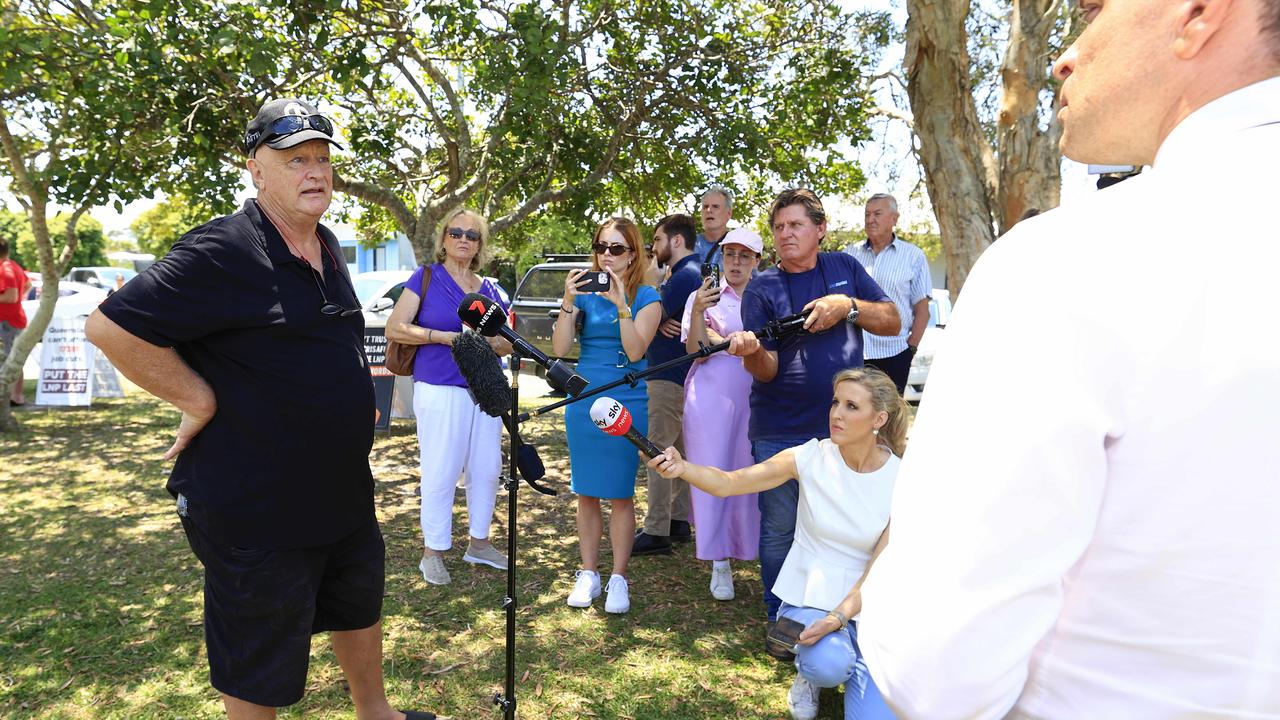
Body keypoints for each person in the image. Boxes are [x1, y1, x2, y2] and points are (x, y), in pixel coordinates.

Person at [858, 1, 1280, 716]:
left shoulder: (1070, 263)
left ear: (1200, 14)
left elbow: (940, 670)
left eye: (1093, 10)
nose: (1064, 55)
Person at [85, 98, 435, 720]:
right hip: (256, 504)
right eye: (296, 158)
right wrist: (195, 396)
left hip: (340, 489)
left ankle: (375, 714)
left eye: (323, 159)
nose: (316, 171)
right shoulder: (222, 250)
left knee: (356, 602)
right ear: (256, 169)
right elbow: (110, 328)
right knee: (258, 653)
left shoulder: (323, 242)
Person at [647, 367, 908, 720]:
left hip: (870, 603)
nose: (836, 414)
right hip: (810, 594)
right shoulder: (810, 456)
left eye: (851, 406)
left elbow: (881, 567)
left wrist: (839, 617)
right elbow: (729, 482)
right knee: (829, 664)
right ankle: (811, 673)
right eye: (835, 402)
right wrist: (683, 469)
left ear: (879, 418)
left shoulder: (902, 479)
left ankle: (848, 651)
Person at [725, 187, 899, 657]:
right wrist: (753, 352)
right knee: (780, 526)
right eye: (778, 227)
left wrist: (849, 307)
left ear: (820, 229)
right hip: (780, 424)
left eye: (795, 225)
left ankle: (852, 614)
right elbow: (769, 370)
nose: (785, 234)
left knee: (848, 525)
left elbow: (893, 320)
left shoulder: (842, 268)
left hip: (847, 428)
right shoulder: (762, 288)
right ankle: (781, 620)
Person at [385, 208, 512, 586]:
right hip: (439, 386)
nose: (463, 239)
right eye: (456, 232)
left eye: (471, 235)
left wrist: (491, 341)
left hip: (484, 389)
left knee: (487, 469)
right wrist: (443, 337)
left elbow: (506, 342)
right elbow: (396, 327)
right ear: (444, 239)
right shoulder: (425, 277)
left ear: (479, 245)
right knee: (442, 470)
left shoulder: (490, 289)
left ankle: (479, 542)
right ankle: (433, 551)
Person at [552, 217, 660, 614]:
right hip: (583, 396)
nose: (607, 256)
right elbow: (561, 349)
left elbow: (635, 352)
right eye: (601, 247)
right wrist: (567, 301)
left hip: (626, 398)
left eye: (617, 248)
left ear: (634, 253)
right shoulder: (582, 294)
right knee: (587, 492)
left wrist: (622, 307)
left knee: (620, 493)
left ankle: (618, 577)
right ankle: (588, 573)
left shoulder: (648, 296)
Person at [678, 227, 764, 600]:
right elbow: (699, 348)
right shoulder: (705, 297)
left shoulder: (768, 295)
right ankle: (719, 560)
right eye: (730, 254)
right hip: (710, 398)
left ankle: (753, 550)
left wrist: (721, 341)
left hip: (757, 395)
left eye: (745, 256)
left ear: (757, 261)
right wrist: (699, 312)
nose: (736, 262)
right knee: (714, 470)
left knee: (750, 472)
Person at [632, 214, 703, 556]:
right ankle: (677, 520)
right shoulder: (689, 274)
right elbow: (659, 316)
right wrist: (660, 322)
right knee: (677, 448)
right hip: (677, 376)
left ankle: (656, 529)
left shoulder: (686, 274)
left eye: (657, 240)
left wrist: (655, 316)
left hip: (666, 376)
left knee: (656, 449)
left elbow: (646, 311)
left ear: (676, 241)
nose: (653, 247)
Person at [845, 194, 931, 393]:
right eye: (867, 214)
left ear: (894, 219)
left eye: (877, 214)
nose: (870, 219)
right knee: (855, 420)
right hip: (856, 354)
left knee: (889, 420)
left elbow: (922, 310)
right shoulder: (850, 254)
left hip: (895, 354)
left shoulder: (913, 256)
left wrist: (910, 350)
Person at [0, 236, 31, 406]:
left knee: (10, 360)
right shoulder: (13, 266)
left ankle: (15, 397)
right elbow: (28, 286)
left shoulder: (6, 270)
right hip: (13, 320)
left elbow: (11, 296)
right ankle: (16, 396)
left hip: (7, 322)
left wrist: (16, 299)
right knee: (14, 359)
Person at [693, 185, 733, 271]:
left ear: (728, 213)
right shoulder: (689, 244)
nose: (709, 210)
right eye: (705, 206)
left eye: (715, 206)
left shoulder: (737, 245)